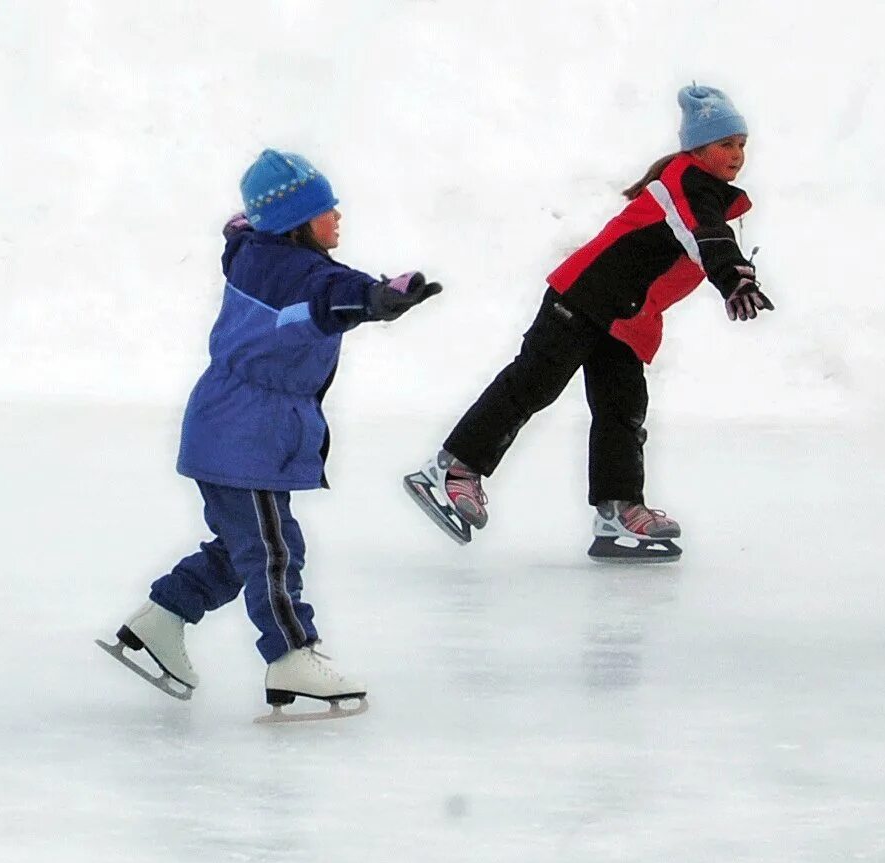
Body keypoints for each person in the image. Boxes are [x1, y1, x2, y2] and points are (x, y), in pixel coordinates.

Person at [97, 149, 442, 719]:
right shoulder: (292, 275)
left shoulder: (257, 255)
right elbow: (333, 294)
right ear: (295, 224)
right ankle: (290, 656)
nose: (337, 216)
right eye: (325, 209)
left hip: (237, 427)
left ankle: (160, 621)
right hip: (244, 434)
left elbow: (252, 245)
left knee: (246, 548)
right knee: (274, 551)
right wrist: (379, 299)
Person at [403, 84, 771, 562]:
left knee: (622, 409)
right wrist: (735, 278)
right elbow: (706, 236)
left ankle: (618, 509)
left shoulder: (708, 193)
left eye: (742, 144)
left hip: (627, 317)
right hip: (584, 296)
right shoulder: (685, 181)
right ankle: (450, 470)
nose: (737, 155)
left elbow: (708, 235)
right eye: (726, 144)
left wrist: (733, 275)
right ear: (698, 148)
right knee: (533, 384)